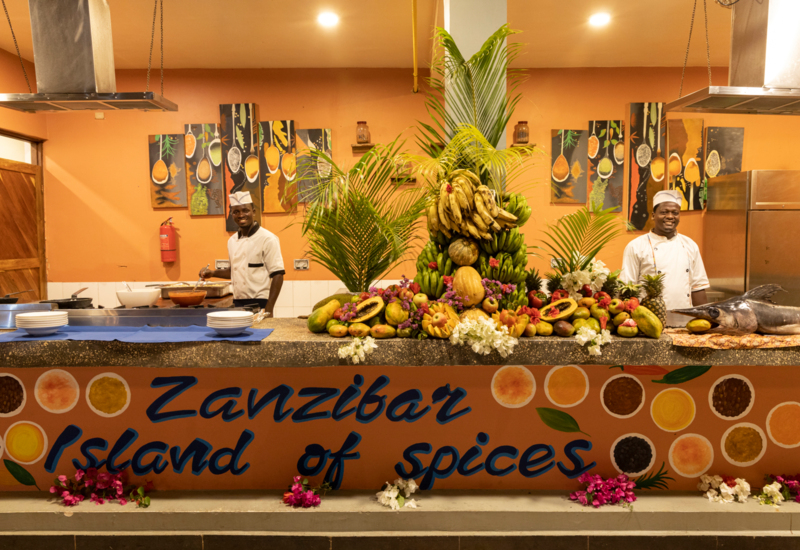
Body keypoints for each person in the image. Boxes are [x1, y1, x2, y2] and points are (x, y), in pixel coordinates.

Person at [620, 190, 709, 321]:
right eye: (664, 212)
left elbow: (698, 288)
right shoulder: (636, 246)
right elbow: (628, 288)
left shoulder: (690, 245)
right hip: (647, 321)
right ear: (653, 215)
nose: (670, 216)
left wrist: (706, 320)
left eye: (675, 213)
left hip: (685, 320)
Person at [199, 191, 284, 316]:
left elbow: (278, 275)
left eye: (245, 210)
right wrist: (212, 273)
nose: (241, 215)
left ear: (253, 212)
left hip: (260, 303)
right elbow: (233, 271)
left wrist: (269, 308)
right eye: (236, 212)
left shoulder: (268, 239)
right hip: (237, 302)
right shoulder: (232, 241)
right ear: (232, 214)